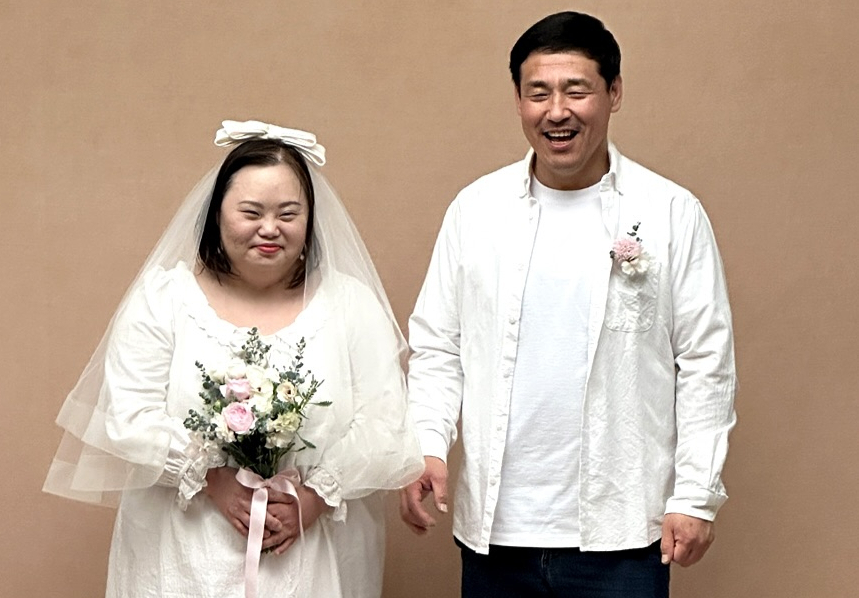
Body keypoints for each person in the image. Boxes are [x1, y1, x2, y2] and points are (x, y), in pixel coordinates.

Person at [400, 11, 736, 598]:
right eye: (539, 93)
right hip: (495, 535)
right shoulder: (476, 210)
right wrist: (426, 446)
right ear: (519, 101)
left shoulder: (670, 212)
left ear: (614, 93)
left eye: (576, 90)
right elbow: (438, 345)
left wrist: (695, 495)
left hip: (624, 534)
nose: (557, 111)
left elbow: (707, 362)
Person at [44, 120, 423, 598]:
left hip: (308, 551)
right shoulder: (164, 301)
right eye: (251, 212)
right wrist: (211, 478)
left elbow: (385, 421)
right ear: (216, 215)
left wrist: (313, 497)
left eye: (288, 213)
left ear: (311, 220)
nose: (270, 229)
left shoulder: (351, 305)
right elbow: (129, 415)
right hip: (180, 549)